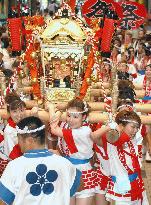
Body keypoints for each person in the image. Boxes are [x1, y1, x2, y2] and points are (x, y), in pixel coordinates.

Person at [0, 116, 82, 205]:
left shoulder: (14, 166)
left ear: (29, 140)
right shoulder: (64, 163)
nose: (18, 143)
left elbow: (3, 200)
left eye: (19, 138)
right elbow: (80, 186)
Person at [91, 110, 149, 205]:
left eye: (137, 128)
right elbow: (93, 136)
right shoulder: (111, 141)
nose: (135, 130)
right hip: (120, 188)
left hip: (137, 185)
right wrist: (110, 126)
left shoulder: (133, 139)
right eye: (133, 127)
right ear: (121, 126)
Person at [46, 98, 95, 205]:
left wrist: (52, 109)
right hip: (68, 170)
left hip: (83, 173)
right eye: (68, 116)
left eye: (76, 117)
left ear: (84, 117)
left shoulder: (84, 131)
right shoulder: (69, 127)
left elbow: (54, 129)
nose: (71, 120)